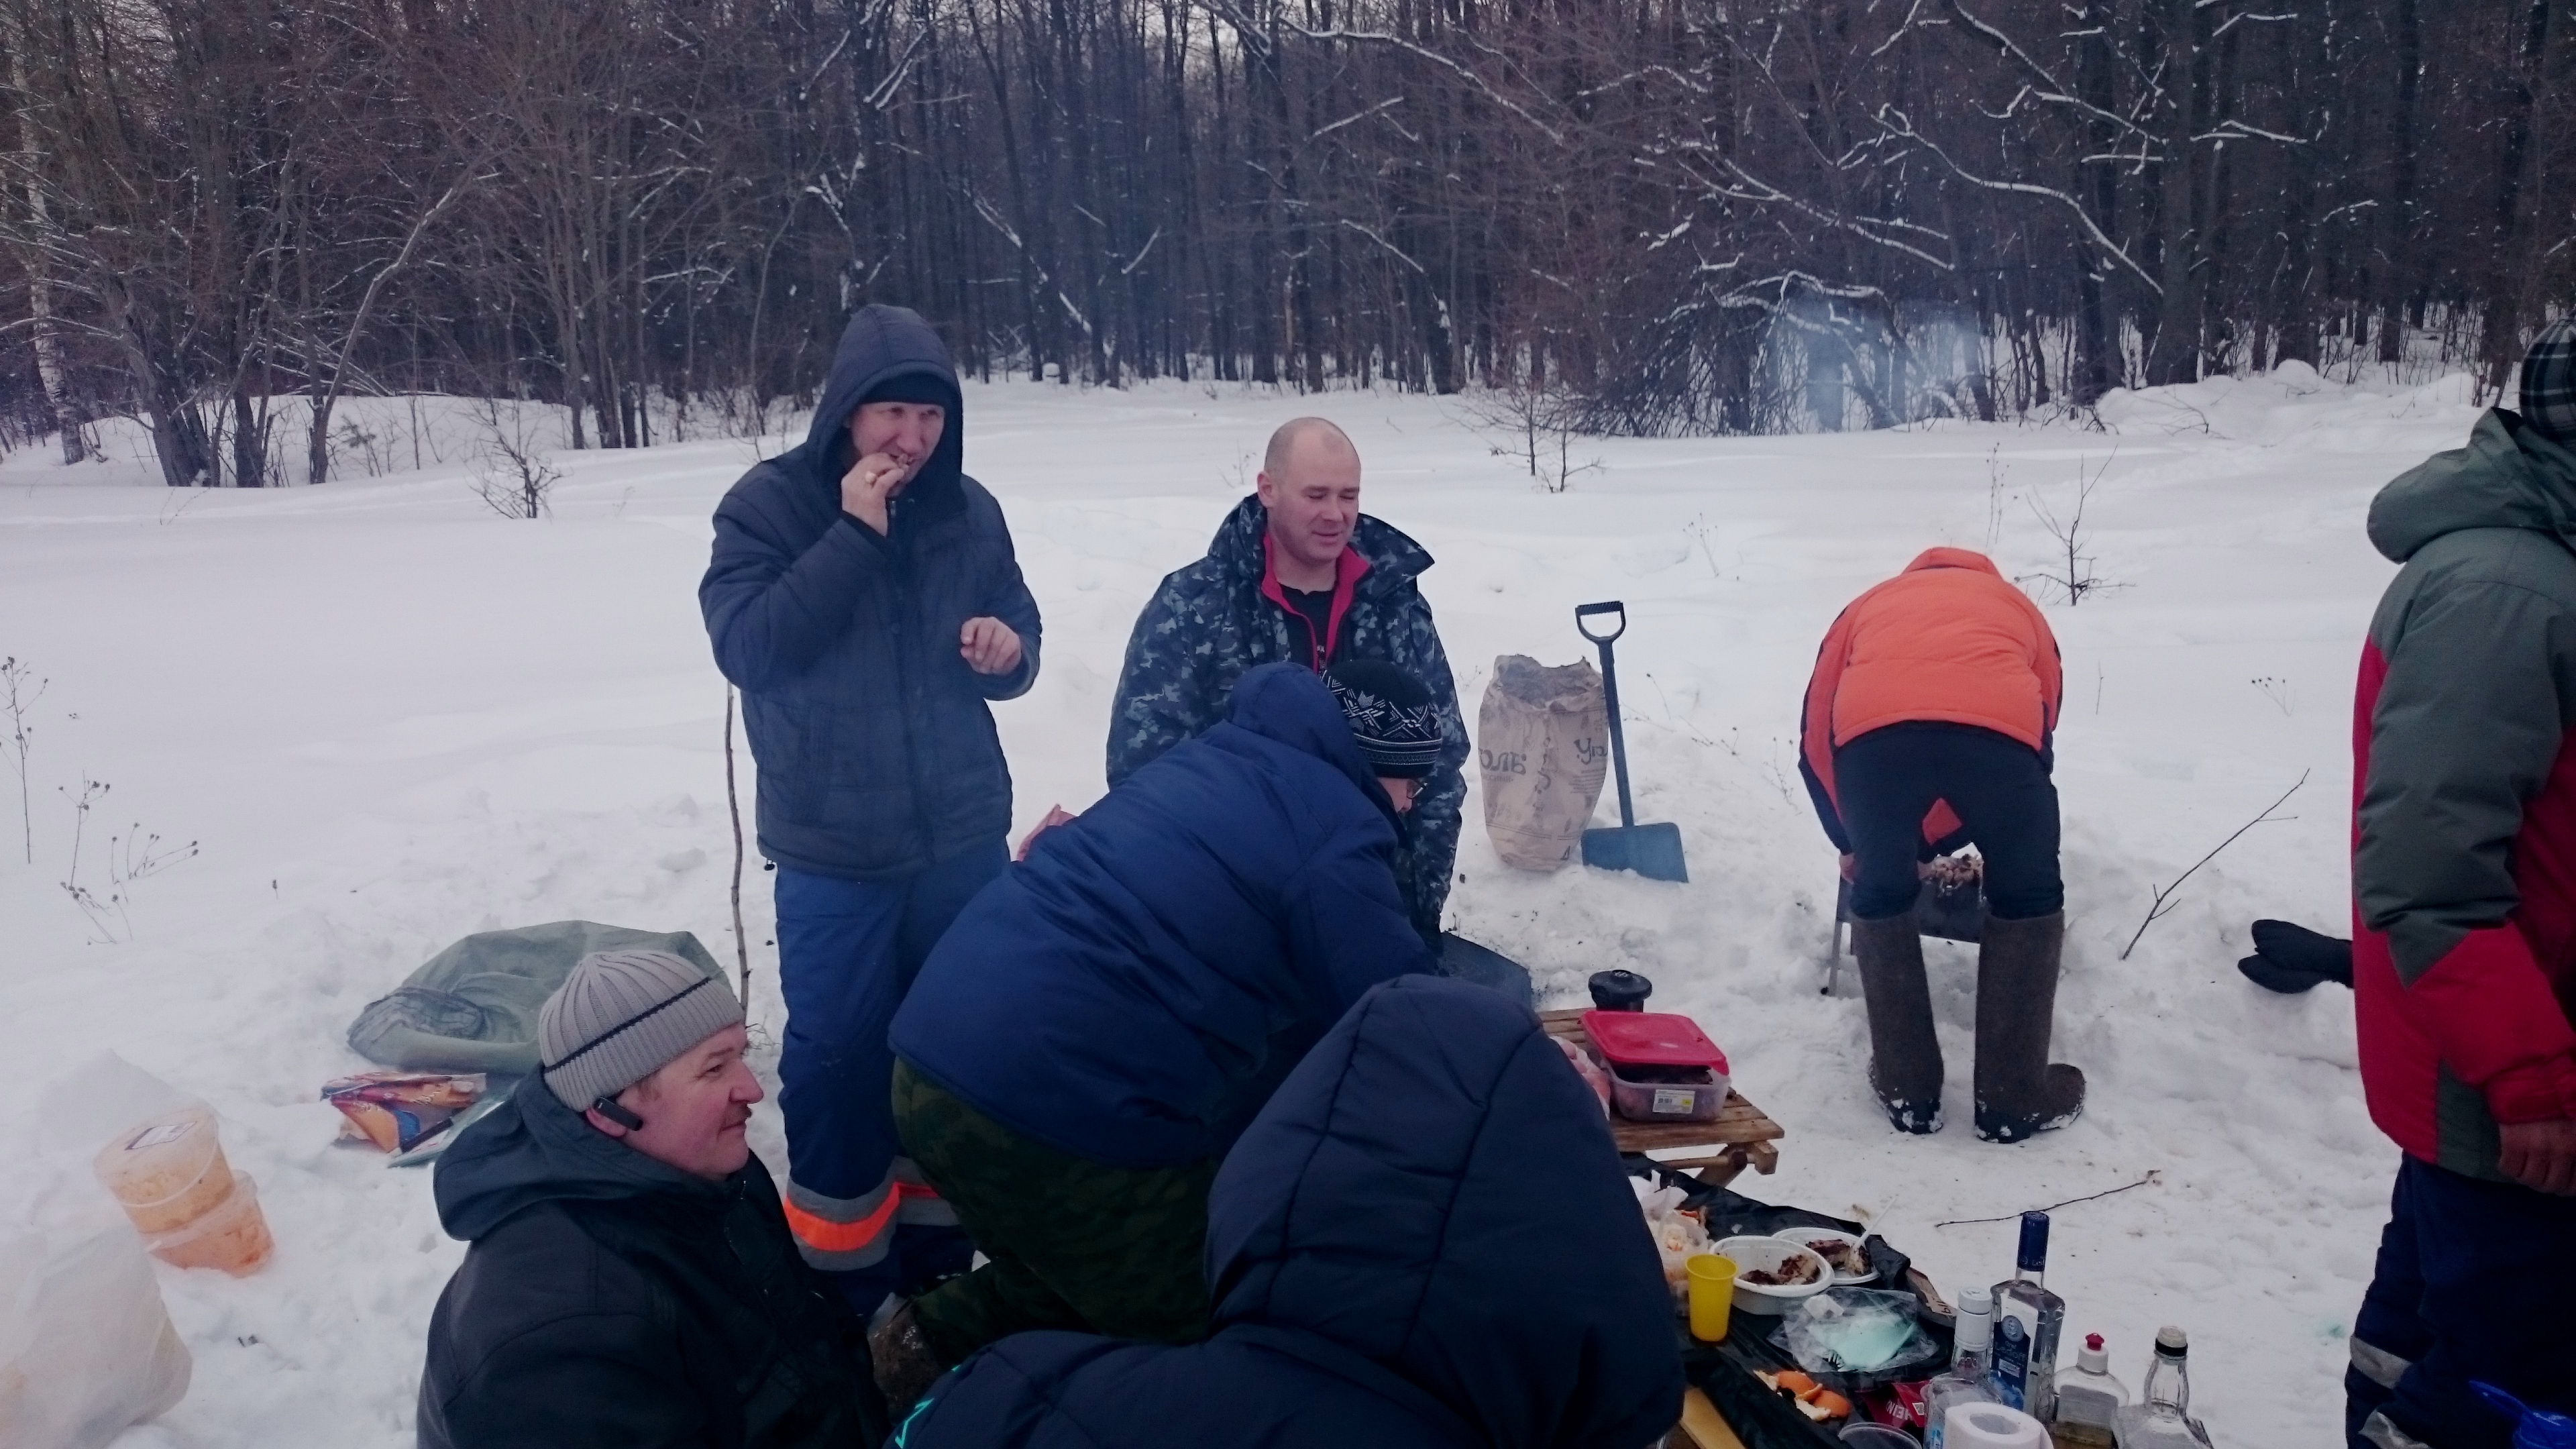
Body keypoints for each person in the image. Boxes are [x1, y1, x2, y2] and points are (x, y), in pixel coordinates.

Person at [872, 659, 1445, 1407]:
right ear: (1379, 767)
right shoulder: (1337, 828)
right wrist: (1522, 1067)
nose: (1411, 805)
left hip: (932, 1061)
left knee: (1084, 1270)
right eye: (1413, 785)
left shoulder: (1217, 757)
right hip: (1055, 1104)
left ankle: (905, 1361)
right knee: (1213, 1314)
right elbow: (1411, 1017)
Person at [888, 974, 1685, 1449]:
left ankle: (897, 1347)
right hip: (1081, 1112)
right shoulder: (1337, 845)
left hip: (957, 1055)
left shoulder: (1003, 1399)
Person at [701, 303, 1041, 1307]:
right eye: (893, 412)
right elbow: (750, 648)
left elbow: (1019, 623)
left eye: (932, 417)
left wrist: (1009, 653)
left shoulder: (969, 509)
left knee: (955, 1053)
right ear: (846, 410)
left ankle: (938, 1274)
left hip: (960, 839)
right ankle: (843, 1292)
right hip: (833, 850)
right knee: (840, 1063)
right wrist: (853, 533)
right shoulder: (767, 508)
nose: (912, 437)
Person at [2343, 319, 2576, 1449]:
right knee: (2510, 1377)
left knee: (2434, 1332)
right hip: (2513, 1075)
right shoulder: (2509, 592)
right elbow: (2429, 864)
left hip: (2501, 1051)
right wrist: (2527, 1072)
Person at [417, 951, 885, 1449]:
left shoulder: (710, 1169)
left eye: (740, 1056)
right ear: (608, 1112)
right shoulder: (565, 1339)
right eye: (715, 1069)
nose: (751, 1089)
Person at [1108, 417, 1464, 945]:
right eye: (1316, 495)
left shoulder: (1394, 604)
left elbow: (1439, 759)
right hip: (1236, 919)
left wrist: (1417, 916)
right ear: (1268, 490)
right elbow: (1145, 775)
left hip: (1373, 909)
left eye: (1348, 496)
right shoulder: (1194, 606)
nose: (1335, 514)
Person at [1799, 545, 2080, 1142]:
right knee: (2028, 894)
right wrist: (1960, 829)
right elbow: (2044, 713)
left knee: (1880, 891)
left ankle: (1908, 1091)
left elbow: (1816, 727)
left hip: (1873, 740)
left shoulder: (1868, 603)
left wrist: (1859, 842)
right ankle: (2013, 1102)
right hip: (2001, 738)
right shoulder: (2018, 606)